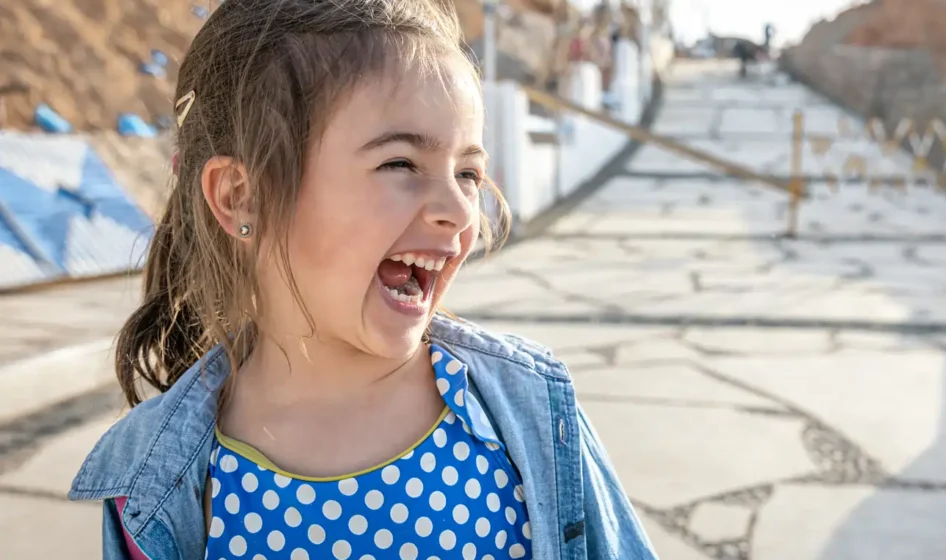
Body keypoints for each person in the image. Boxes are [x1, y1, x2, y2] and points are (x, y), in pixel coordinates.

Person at [66, 1, 657, 559]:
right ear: (241, 196)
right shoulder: (155, 480)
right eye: (400, 163)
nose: (459, 208)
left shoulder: (527, 414)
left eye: (469, 172)